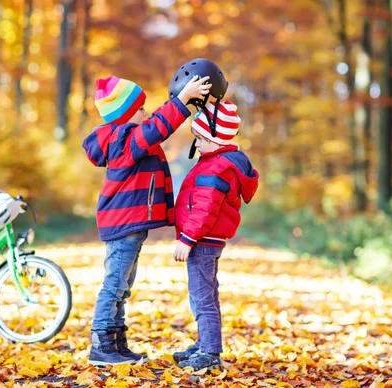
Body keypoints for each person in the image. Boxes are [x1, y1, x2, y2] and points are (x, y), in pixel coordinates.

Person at [82, 74, 211, 366]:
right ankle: (101, 344)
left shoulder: (126, 139)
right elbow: (156, 129)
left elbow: (153, 128)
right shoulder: (124, 139)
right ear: (126, 115)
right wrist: (182, 100)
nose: (146, 113)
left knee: (123, 285)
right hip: (123, 224)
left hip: (129, 225)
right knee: (114, 284)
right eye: (140, 109)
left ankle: (116, 343)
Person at [172, 100, 259, 371]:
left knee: (202, 297)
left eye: (199, 139)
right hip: (207, 240)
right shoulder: (215, 162)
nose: (196, 145)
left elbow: (205, 209)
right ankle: (204, 344)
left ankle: (209, 353)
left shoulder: (216, 168)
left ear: (215, 138)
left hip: (202, 240)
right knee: (204, 293)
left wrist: (187, 239)